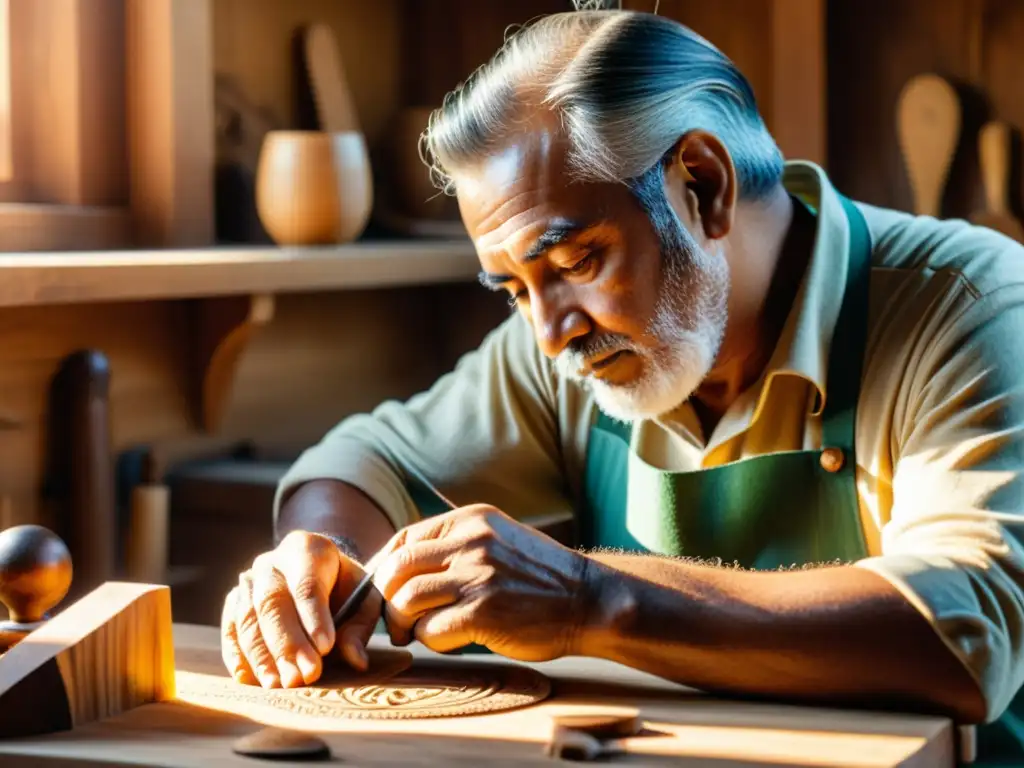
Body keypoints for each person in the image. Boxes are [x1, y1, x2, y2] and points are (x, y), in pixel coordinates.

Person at [221, 8, 1024, 762]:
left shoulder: (973, 305)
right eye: (512, 290)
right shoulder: (565, 342)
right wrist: (319, 564)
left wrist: (587, 598)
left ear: (701, 186)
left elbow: (963, 629)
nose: (548, 331)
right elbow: (366, 461)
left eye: (575, 263)